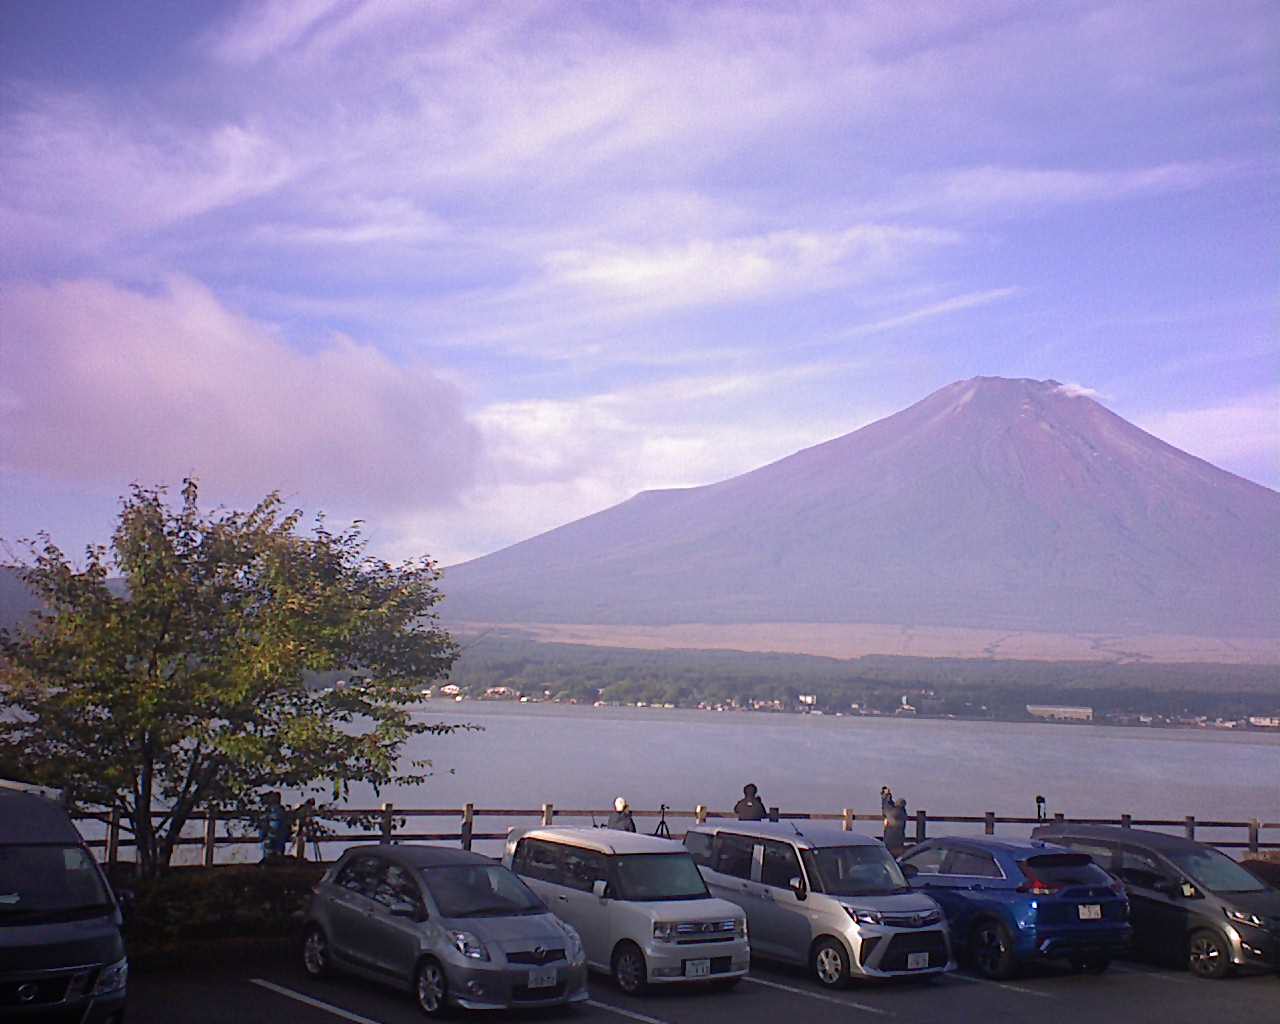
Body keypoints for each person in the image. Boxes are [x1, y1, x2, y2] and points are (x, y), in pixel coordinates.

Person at [259, 791, 290, 862]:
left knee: (268, 860)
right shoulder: (283, 812)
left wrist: (261, 837)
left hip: (270, 840)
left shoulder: (268, 812)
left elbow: (263, 828)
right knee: (279, 859)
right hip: (281, 841)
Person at [881, 786, 907, 856]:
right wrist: (889, 796)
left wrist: (886, 795)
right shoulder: (903, 813)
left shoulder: (893, 813)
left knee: (890, 855)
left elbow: (886, 808)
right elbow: (890, 806)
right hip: (899, 840)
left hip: (890, 840)